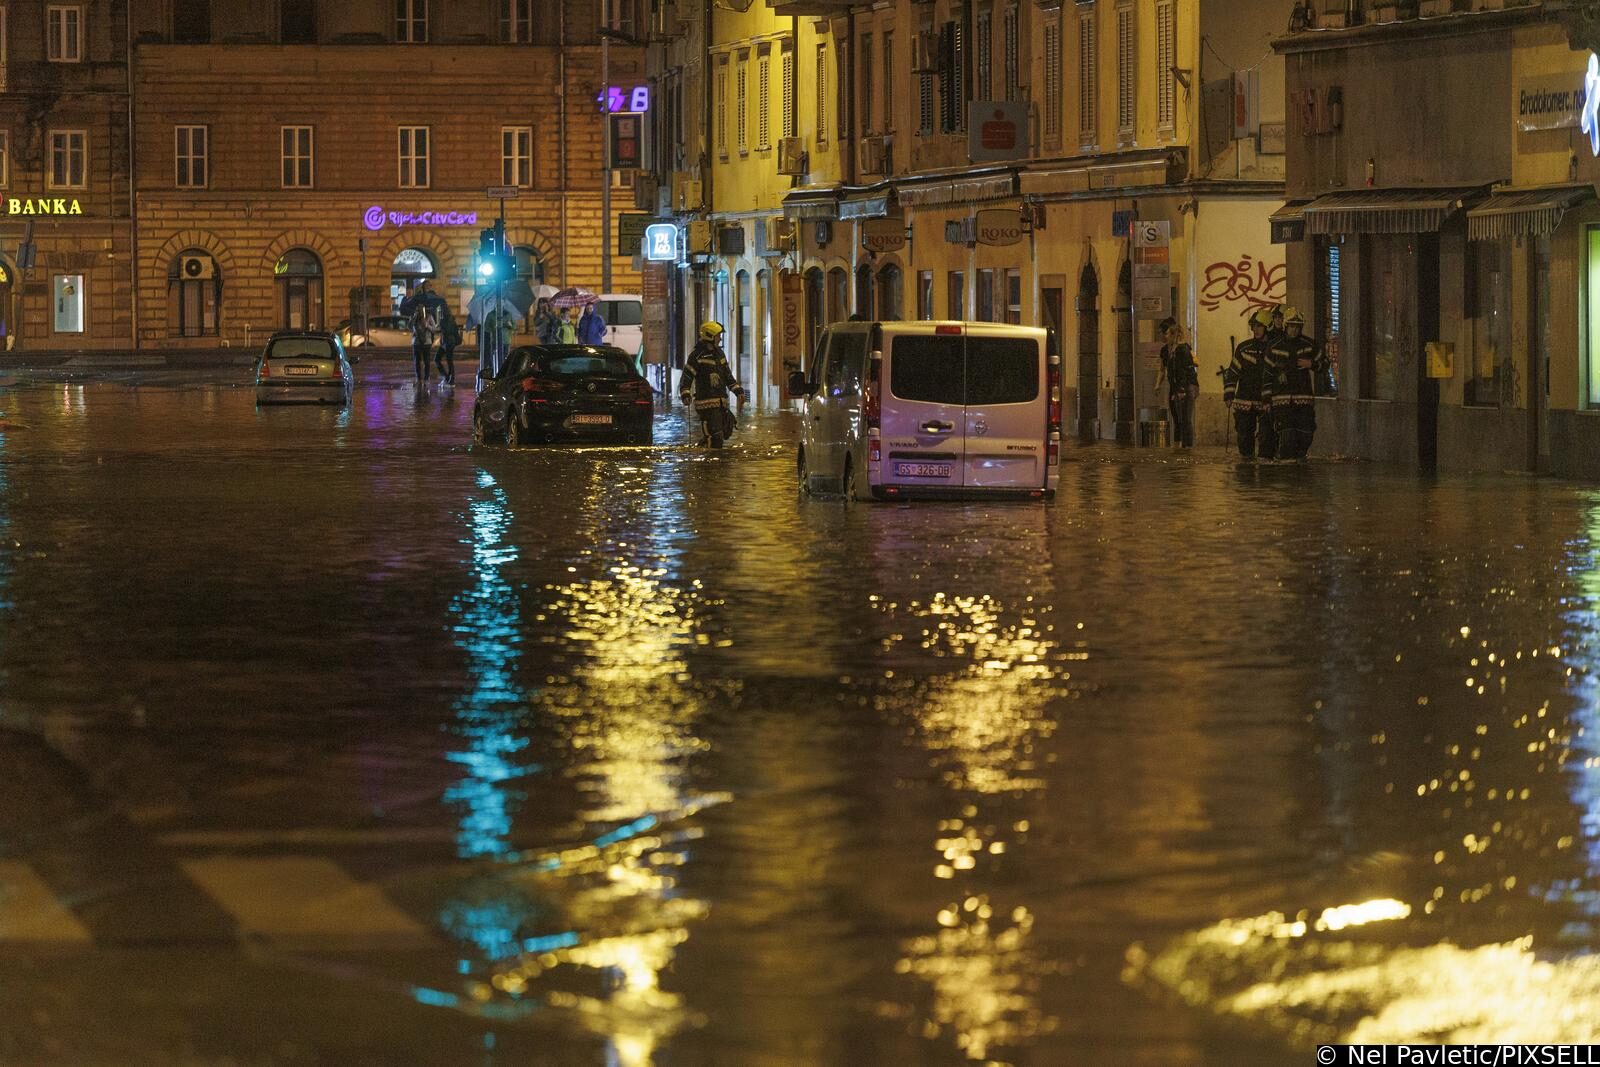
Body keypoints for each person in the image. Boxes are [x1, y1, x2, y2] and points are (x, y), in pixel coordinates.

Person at [1266, 306, 1328, 461]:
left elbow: (1325, 363)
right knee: (1287, 436)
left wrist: (1312, 364)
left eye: (1297, 327)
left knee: (1306, 434)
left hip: (1304, 399)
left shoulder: (1309, 345)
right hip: (1282, 401)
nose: (1294, 330)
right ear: (1286, 326)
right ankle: (1288, 473)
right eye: (1291, 326)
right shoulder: (1274, 346)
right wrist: (1266, 400)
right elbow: (1266, 375)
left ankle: (1300, 466)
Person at [679, 320, 745, 447]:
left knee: (725, 432)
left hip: (721, 402)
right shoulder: (697, 356)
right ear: (710, 336)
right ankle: (710, 463)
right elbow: (687, 377)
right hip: (706, 403)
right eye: (718, 336)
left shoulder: (719, 354)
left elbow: (727, 376)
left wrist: (738, 391)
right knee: (716, 436)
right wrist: (685, 394)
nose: (720, 339)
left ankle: (706, 448)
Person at [1224, 307, 1275, 459]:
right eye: (1254, 326)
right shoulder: (1244, 348)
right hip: (1244, 400)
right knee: (1244, 435)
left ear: (1268, 327)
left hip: (1266, 400)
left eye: (1259, 326)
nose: (1255, 330)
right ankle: (1246, 472)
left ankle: (1266, 471)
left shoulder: (1275, 348)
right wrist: (1229, 394)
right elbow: (1233, 372)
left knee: (1267, 436)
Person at [1157, 318, 1199, 449]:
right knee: (1177, 418)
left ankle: (1187, 448)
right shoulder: (1165, 350)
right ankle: (1178, 447)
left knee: (1185, 419)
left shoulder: (1183, 349)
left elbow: (1188, 371)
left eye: (1167, 333)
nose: (1164, 336)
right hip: (1175, 387)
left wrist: (1182, 390)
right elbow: (1162, 369)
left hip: (1186, 387)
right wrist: (1157, 384)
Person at [399, 280, 437, 383]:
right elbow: (410, 327)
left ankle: (426, 377)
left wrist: (427, 325)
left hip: (426, 341)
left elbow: (434, 328)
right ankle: (419, 378)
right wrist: (414, 317)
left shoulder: (429, 317)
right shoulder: (415, 315)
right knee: (417, 361)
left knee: (426, 361)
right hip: (416, 342)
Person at [482, 304, 517, 375]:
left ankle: (505, 372)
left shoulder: (508, 314)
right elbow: (486, 328)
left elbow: (514, 326)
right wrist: (493, 327)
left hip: (506, 340)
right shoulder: (491, 315)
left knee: (506, 357)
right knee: (494, 357)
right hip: (495, 340)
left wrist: (510, 325)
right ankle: (495, 372)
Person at [435, 304, 461, 386]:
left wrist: (440, 324)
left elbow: (445, 331)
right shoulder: (451, 319)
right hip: (447, 343)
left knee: (440, 359)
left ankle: (450, 379)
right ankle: (448, 378)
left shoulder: (445, 320)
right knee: (446, 360)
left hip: (447, 343)